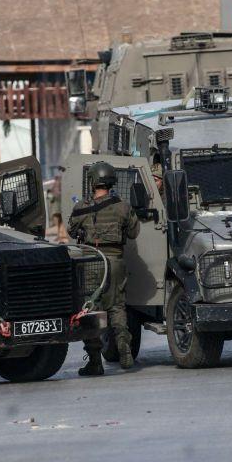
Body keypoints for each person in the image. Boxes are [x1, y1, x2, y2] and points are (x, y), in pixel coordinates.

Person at [68, 161, 140, 375]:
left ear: (92, 181)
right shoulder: (123, 207)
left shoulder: (82, 207)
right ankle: (124, 349)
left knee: (91, 310)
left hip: (91, 262)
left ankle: (95, 362)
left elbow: (72, 231)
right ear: (112, 181)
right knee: (117, 306)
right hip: (115, 260)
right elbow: (134, 233)